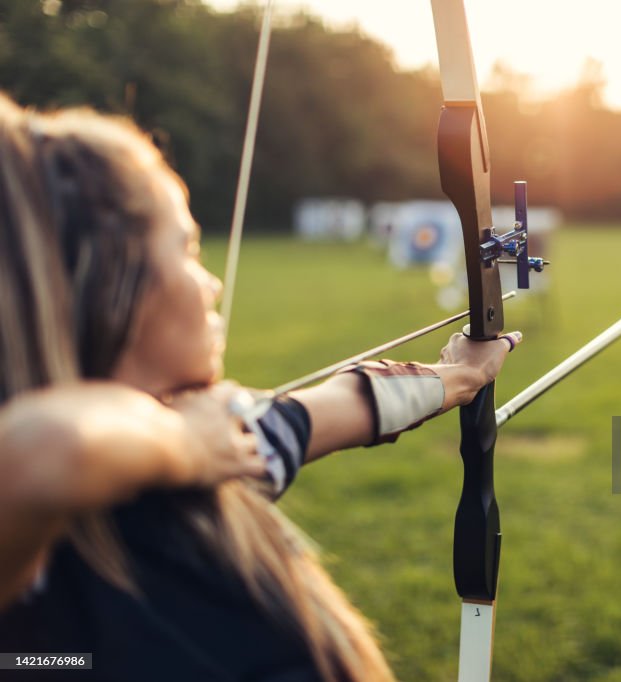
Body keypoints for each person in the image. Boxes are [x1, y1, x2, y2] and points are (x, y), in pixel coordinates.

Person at [0, 92, 520, 681]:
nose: (210, 284)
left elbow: (348, 403)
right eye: (187, 249)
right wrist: (187, 444)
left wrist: (462, 375)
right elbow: (41, 449)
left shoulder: (219, 441)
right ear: (112, 282)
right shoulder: (35, 564)